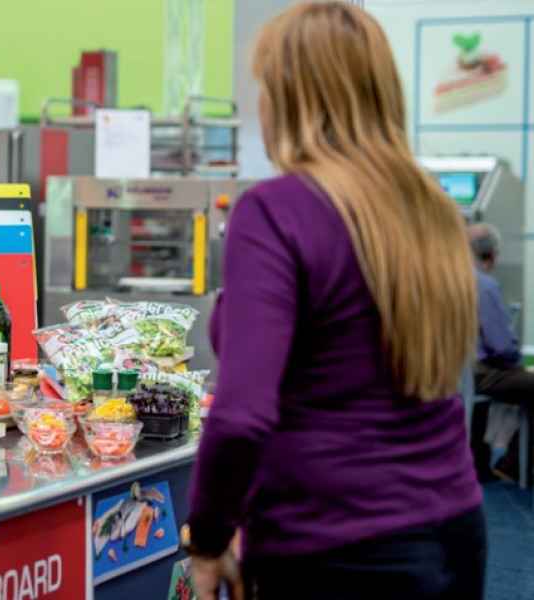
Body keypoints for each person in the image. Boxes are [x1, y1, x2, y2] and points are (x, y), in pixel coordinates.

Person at [186, 3, 486, 599]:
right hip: (454, 528)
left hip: (331, 544)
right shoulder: (434, 210)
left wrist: (209, 536)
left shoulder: (274, 211)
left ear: (291, 97)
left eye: (266, 86)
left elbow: (242, 417)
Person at [469, 223, 528, 481]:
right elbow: (502, 347)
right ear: (492, 255)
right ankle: (513, 464)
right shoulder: (485, 285)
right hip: (484, 374)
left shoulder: (452, 281)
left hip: (460, 374)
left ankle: (480, 462)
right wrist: (518, 361)